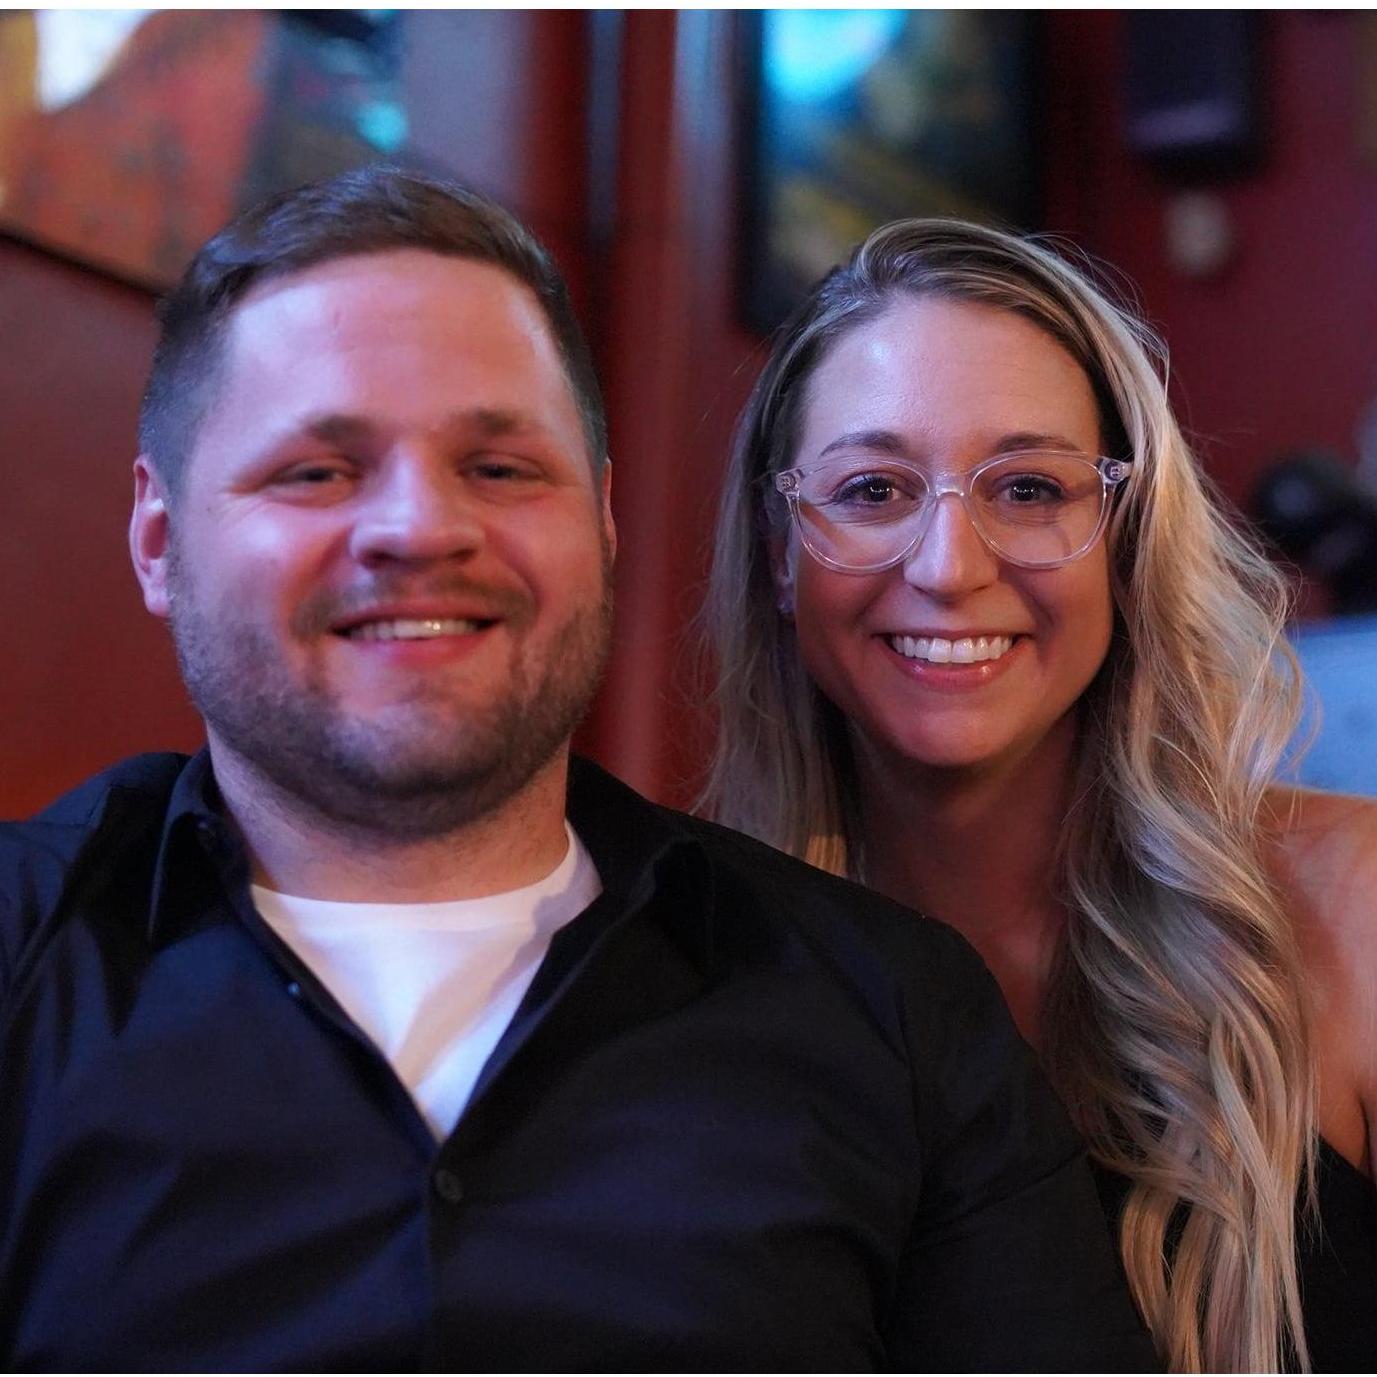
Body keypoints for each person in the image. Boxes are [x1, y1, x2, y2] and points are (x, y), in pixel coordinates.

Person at [0, 170, 1156, 1371]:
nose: (420, 529)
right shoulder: (24, 962)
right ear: (159, 539)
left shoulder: (899, 1012)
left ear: (601, 524)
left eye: (499, 468)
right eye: (318, 471)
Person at [704, 218, 1377, 1372]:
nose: (949, 566)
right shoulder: (683, 968)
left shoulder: (1355, 903)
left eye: (1028, 488)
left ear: (1123, 537)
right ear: (781, 548)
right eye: (873, 488)